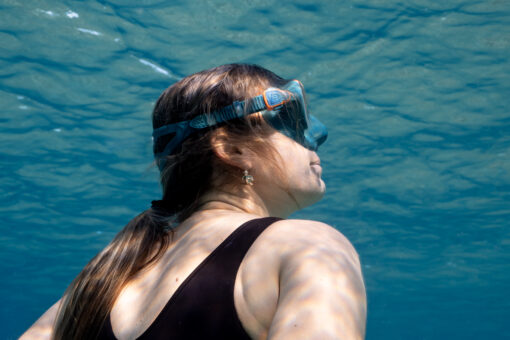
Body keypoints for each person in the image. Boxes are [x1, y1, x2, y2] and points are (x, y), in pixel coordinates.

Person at [21, 63, 366, 340]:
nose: (314, 138)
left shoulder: (99, 280)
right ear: (234, 149)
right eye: (290, 119)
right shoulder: (310, 245)